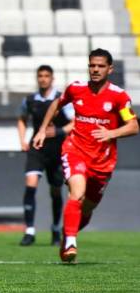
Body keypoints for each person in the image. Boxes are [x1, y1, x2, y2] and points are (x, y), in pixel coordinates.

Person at [32, 49, 137, 263]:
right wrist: (43, 129)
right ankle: (71, 240)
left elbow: (134, 126)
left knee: (87, 208)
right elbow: (56, 104)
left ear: (110, 69)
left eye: (100, 66)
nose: (95, 70)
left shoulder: (119, 96)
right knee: (76, 194)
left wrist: (111, 133)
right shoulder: (76, 88)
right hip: (75, 150)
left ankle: (67, 233)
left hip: (103, 162)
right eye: (92, 65)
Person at [16, 65, 74, 246]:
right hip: (37, 148)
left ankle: (56, 228)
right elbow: (22, 119)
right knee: (30, 183)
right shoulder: (30, 100)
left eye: (46, 76)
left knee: (55, 190)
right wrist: (22, 140)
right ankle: (29, 231)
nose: (43, 79)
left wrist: (58, 131)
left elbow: (75, 122)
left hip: (58, 150)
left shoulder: (62, 99)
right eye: (40, 76)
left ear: (52, 78)